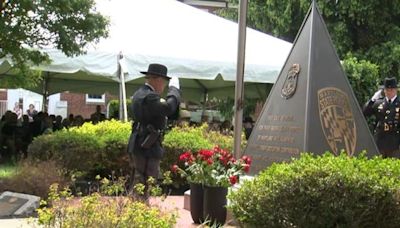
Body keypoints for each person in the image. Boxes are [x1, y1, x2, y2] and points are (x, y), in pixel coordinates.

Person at [127, 63, 181, 199]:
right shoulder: (150, 97)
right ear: (157, 80)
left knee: (139, 179)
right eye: (164, 83)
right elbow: (168, 108)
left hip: (139, 142)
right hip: (147, 145)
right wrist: (174, 91)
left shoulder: (139, 94)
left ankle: (136, 211)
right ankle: (140, 213)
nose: (164, 87)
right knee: (146, 180)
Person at [363, 77, 400, 158]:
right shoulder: (378, 103)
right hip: (380, 142)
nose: (389, 92)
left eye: (392, 90)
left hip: (395, 143)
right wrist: (372, 100)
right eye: (387, 90)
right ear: (384, 91)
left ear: (396, 90)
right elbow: (365, 112)